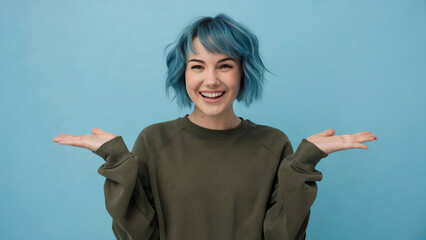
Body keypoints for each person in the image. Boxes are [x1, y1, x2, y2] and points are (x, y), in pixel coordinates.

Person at [52, 13, 377, 240]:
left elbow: (282, 236)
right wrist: (117, 161)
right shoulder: (154, 141)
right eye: (197, 66)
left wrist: (304, 162)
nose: (211, 79)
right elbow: (137, 235)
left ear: (242, 72)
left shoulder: (273, 144)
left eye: (225, 65)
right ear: (183, 73)